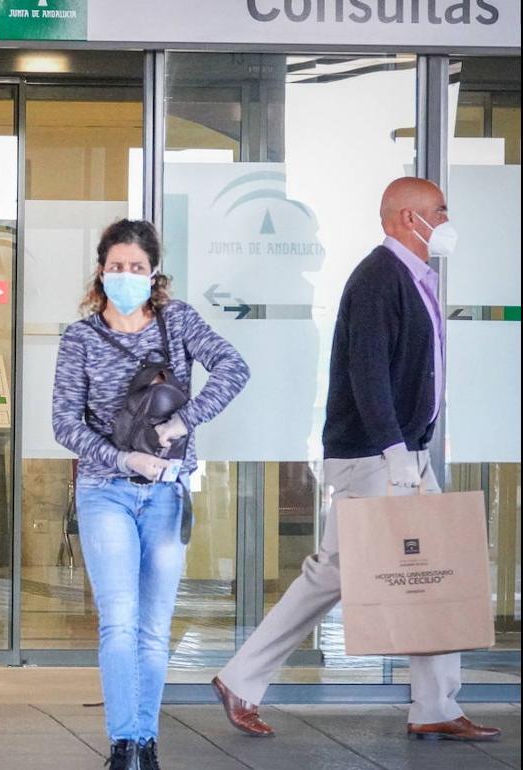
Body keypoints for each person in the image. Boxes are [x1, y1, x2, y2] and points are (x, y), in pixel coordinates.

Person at [212, 177, 501, 743]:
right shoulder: (378, 279)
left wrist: (410, 449)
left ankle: (435, 704)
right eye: (439, 210)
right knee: (348, 573)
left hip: (402, 452)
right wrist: (395, 453)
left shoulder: (416, 278)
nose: (446, 221)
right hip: (377, 455)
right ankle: (242, 678)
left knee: (429, 571)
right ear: (404, 219)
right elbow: (367, 372)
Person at [53, 219, 249, 770]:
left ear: (154, 273)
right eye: (116, 266)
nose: (126, 276)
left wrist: (181, 423)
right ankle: (122, 743)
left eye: (137, 267)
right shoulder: (81, 338)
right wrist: (123, 458)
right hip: (105, 491)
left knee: (154, 626)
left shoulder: (177, 323)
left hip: (166, 493)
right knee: (118, 619)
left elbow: (235, 367)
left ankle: (146, 739)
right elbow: (64, 424)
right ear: (100, 271)